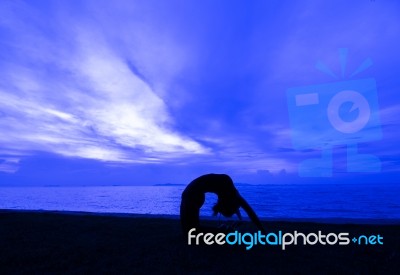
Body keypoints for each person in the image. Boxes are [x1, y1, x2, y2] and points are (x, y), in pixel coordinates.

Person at [180, 173, 265, 234]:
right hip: (191, 194)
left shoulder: (229, 194)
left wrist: (240, 218)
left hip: (192, 193)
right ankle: (225, 232)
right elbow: (250, 212)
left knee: (191, 232)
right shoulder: (229, 191)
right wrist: (263, 231)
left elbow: (243, 208)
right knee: (191, 232)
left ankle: (224, 232)